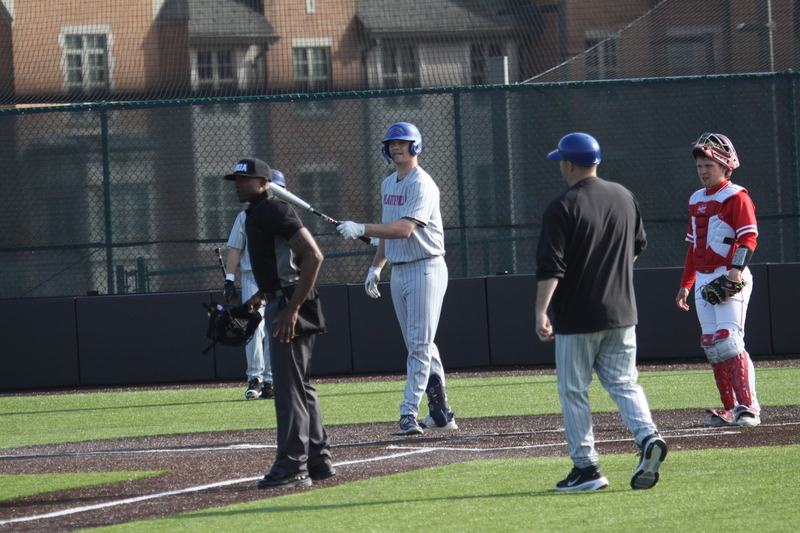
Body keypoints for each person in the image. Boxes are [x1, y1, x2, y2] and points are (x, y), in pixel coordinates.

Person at [535, 132, 667, 491]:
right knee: (624, 383)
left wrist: (541, 311)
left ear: (570, 163)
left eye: (561, 160)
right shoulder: (624, 196)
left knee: (574, 390)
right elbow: (637, 247)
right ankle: (648, 437)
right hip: (623, 311)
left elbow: (552, 266)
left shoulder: (562, 205)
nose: (560, 166)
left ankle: (587, 469)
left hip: (577, 316)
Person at [336, 122, 457, 436]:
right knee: (420, 345)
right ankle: (441, 412)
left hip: (426, 266)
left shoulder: (422, 184)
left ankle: (408, 414)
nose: (395, 148)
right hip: (400, 269)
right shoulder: (389, 183)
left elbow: (404, 229)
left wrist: (361, 228)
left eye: (402, 143)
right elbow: (389, 234)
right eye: (391, 143)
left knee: (418, 345)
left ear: (415, 146)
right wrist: (377, 266)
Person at [224, 157, 335, 489]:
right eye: (236, 179)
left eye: (246, 179)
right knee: (300, 386)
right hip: (281, 299)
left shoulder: (273, 210)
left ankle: (292, 466)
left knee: (287, 390)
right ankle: (318, 458)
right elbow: (284, 264)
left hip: (290, 306)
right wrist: (261, 296)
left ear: (264, 184)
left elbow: (313, 256)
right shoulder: (254, 213)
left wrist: (291, 308)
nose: (238, 184)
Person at [675, 133, 760, 428]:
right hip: (703, 279)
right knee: (711, 344)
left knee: (729, 340)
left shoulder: (737, 196)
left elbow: (749, 238)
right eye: (699, 166)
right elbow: (693, 247)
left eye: (708, 165)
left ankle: (748, 407)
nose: (702, 171)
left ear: (725, 166)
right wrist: (686, 284)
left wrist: (735, 272)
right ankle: (730, 409)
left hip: (728, 274)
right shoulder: (695, 200)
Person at [224, 169, 287, 401]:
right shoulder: (245, 216)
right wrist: (229, 279)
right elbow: (235, 249)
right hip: (252, 276)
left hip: (278, 279)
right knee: (256, 327)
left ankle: (270, 380)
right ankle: (255, 378)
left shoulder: (284, 216)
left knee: (274, 328)